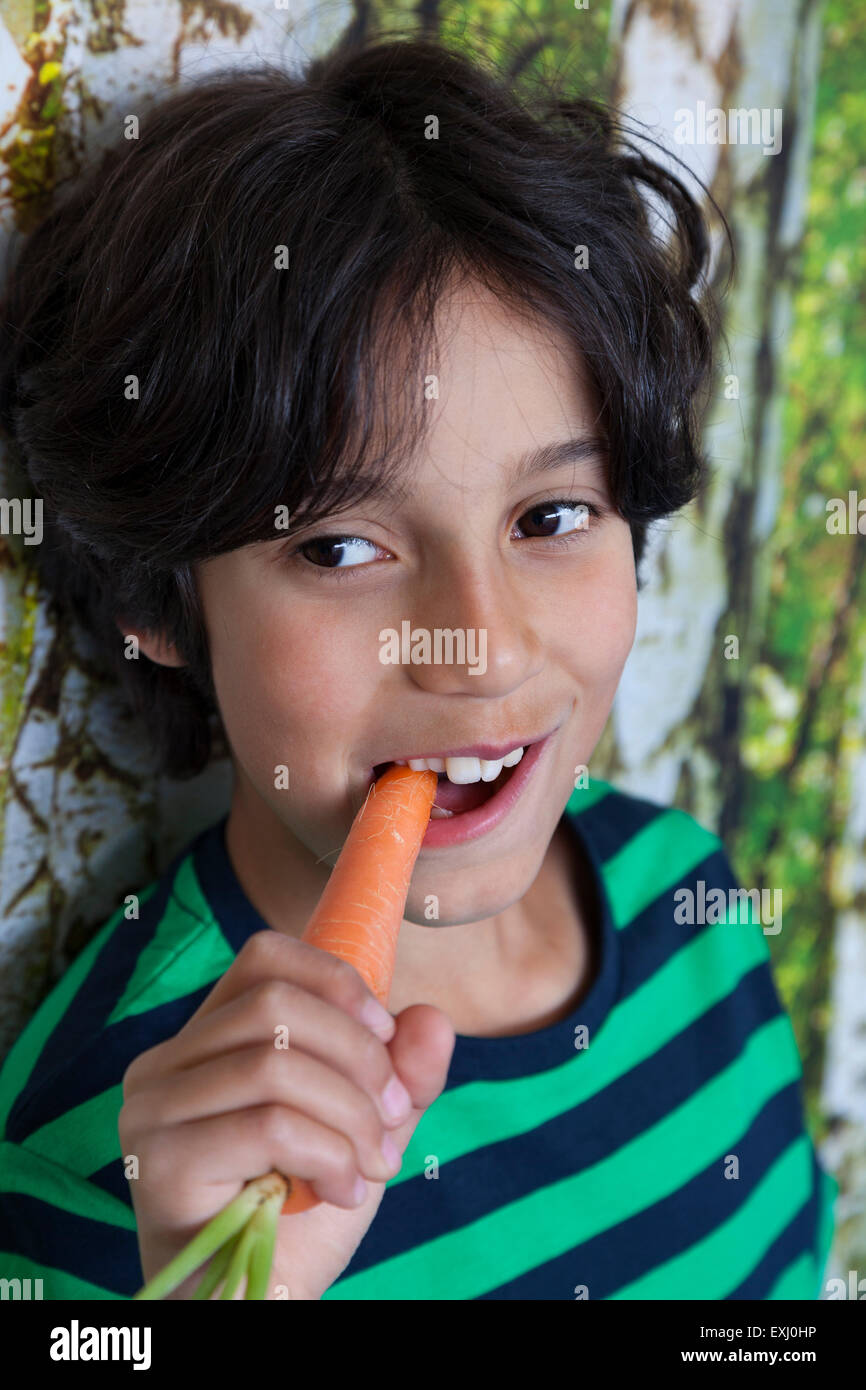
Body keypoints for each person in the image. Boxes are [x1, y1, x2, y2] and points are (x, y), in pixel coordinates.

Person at [0, 32, 836, 1300]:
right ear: (158, 606)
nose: (480, 645)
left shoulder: (690, 899)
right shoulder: (90, 1159)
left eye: (550, 517)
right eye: (340, 546)